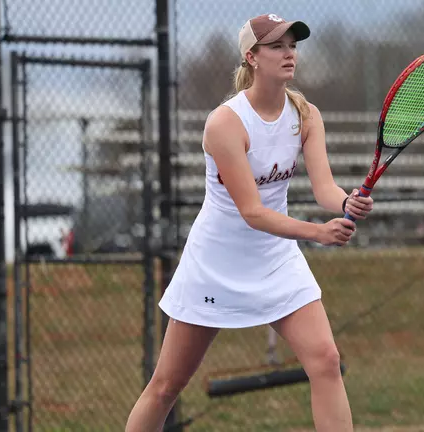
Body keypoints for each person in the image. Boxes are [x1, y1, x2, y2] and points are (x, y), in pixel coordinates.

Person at [125, 13, 374, 432]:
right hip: (215, 263)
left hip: (276, 259)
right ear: (252, 57)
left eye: (292, 45)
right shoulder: (225, 123)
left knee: (326, 361)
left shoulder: (306, 114)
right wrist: (318, 233)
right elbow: (253, 212)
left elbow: (324, 189)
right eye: (276, 46)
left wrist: (348, 201)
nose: (288, 53)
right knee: (167, 385)